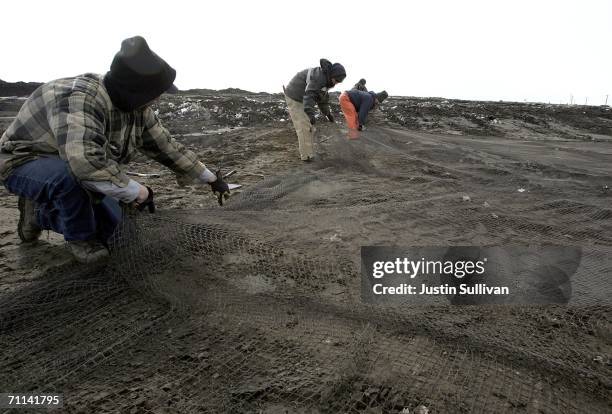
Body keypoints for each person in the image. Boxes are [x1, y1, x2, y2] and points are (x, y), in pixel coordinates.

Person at [0, 36, 230, 264]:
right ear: (136, 90)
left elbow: (166, 146)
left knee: (117, 235)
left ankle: (62, 216)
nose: (159, 99)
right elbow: (86, 164)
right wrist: (138, 192)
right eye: (156, 93)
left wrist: (210, 178)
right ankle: (56, 226)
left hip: (75, 162)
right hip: (24, 160)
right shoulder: (82, 98)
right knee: (70, 182)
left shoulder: (138, 109)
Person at [284, 59, 346, 161]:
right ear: (332, 75)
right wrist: (310, 113)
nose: (337, 83)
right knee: (304, 126)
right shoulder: (319, 78)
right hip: (294, 96)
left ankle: (309, 152)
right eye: (337, 80)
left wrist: (328, 114)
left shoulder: (327, 80)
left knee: (310, 127)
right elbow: (310, 95)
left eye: (339, 81)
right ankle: (307, 156)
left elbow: (322, 99)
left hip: (303, 97)